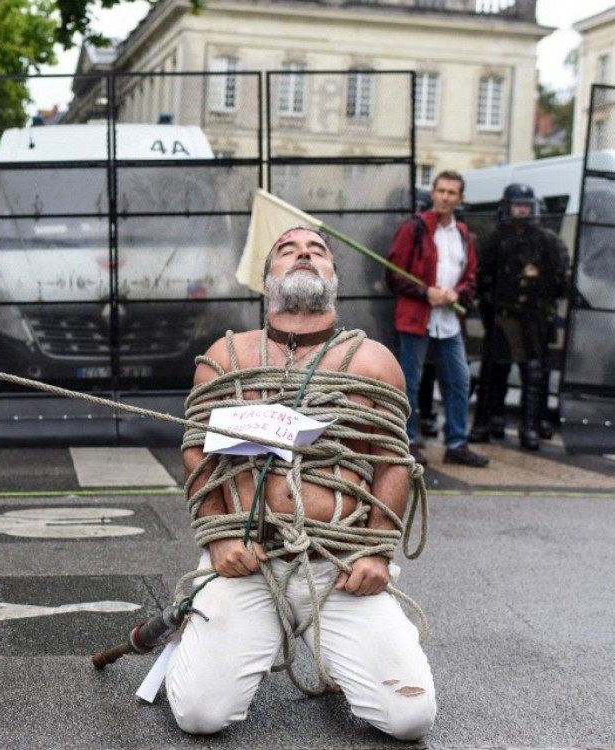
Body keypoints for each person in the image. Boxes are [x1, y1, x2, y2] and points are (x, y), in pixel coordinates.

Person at [165, 227, 436, 740]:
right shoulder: (225, 358)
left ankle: (333, 648)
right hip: (249, 563)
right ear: (266, 285)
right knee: (200, 716)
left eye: (318, 251)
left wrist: (377, 552)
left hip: (338, 566)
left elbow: (394, 460)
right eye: (288, 249)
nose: (305, 253)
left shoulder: (375, 361)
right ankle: (200, 634)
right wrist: (220, 537)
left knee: (410, 719)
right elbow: (197, 448)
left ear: (335, 279)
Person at [386, 170, 489, 467]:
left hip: (448, 321)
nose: (445, 197)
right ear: (432, 193)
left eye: (451, 192)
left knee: (459, 380)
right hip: (416, 317)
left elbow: (471, 278)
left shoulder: (464, 235)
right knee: (410, 382)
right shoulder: (414, 228)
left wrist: (458, 294)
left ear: (460, 198)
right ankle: (408, 440)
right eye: (440, 191)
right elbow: (393, 274)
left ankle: (457, 442)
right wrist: (424, 292)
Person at [469, 184, 568, 450]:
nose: (521, 210)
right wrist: (490, 313)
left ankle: (529, 428)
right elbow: (482, 279)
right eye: (517, 205)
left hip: (534, 319)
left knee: (533, 374)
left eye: (525, 205)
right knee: (493, 373)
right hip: (502, 316)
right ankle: (485, 423)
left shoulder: (546, 240)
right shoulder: (495, 238)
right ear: (508, 207)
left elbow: (560, 280)